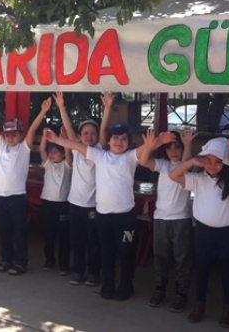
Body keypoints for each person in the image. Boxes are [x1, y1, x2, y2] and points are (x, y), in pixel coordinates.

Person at [45, 97, 155, 301]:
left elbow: (141, 151)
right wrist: (56, 138)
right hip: (102, 215)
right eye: (116, 138)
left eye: (123, 138)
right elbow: (71, 139)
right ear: (109, 141)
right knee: (106, 251)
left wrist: (149, 145)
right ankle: (108, 284)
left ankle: (125, 286)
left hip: (123, 216)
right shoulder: (98, 155)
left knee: (125, 253)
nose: (119, 141)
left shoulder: (126, 157)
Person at [169, 124, 229, 327]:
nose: (212, 165)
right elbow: (174, 175)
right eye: (208, 160)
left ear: (226, 163)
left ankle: (228, 307)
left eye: (218, 161)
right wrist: (192, 162)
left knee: (227, 271)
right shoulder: (198, 179)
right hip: (202, 232)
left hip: (225, 234)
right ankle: (200, 304)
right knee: (202, 269)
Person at [0, 96, 50, 276]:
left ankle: (20, 262)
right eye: (7, 135)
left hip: (16, 197)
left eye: (14, 134)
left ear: (21, 135)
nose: (10, 137)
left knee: (19, 230)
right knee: (4, 230)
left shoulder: (24, 148)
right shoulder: (2, 146)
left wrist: (43, 112)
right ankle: (6, 259)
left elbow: (33, 129)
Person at [53, 91, 109, 287]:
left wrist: (107, 108)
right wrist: (61, 106)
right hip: (75, 204)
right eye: (85, 133)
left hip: (93, 205)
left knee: (93, 242)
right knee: (77, 240)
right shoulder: (76, 149)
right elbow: (68, 128)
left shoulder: (100, 151)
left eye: (92, 133)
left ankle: (93, 272)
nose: (89, 136)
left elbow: (103, 129)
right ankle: (78, 271)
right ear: (78, 137)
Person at [137, 129, 196, 313]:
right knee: (160, 256)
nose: (173, 151)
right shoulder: (163, 165)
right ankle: (159, 288)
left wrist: (188, 145)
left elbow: (186, 163)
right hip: (161, 218)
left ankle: (181, 292)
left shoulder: (187, 165)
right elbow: (143, 161)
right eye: (169, 148)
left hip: (181, 219)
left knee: (182, 258)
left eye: (177, 147)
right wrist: (151, 146)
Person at [39, 126, 73, 275]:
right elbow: (42, 150)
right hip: (47, 203)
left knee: (64, 235)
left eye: (55, 151)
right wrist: (44, 137)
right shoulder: (48, 165)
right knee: (48, 234)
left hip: (63, 204)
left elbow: (69, 152)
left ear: (63, 154)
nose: (51, 154)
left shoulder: (67, 165)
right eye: (50, 151)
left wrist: (63, 138)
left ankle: (63, 264)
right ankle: (49, 260)